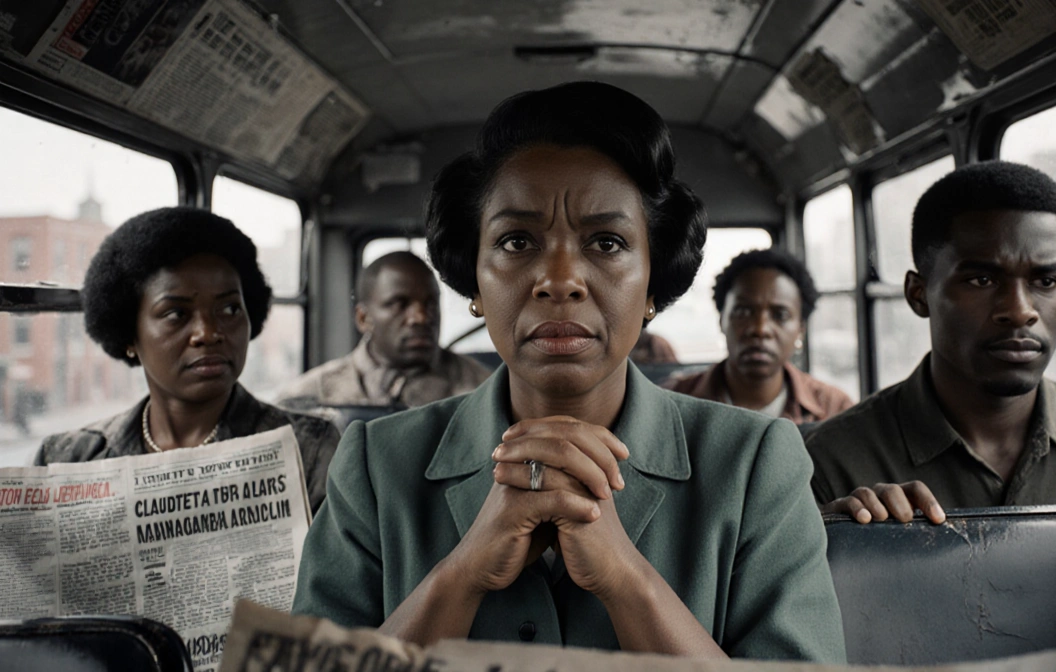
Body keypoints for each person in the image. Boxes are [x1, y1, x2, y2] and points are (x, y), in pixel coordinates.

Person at [291, 82, 844, 661]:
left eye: (606, 242)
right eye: (517, 241)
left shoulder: (757, 466)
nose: (559, 279)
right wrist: (464, 573)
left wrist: (626, 578)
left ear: (653, 283)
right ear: (474, 282)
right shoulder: (376, 468)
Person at [806, 161, 1056, 543]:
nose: (1021, 310)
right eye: (983, 279)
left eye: (1046, 280)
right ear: (918, 294)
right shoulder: (832, 464)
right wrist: (841, 543)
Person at [35, 207, 342, 513]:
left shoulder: (310, 448)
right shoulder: (68, 459)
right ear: (130, 335)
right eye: (176, 314)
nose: (207, 333)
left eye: (230, 309)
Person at [275, 251, 492, 413]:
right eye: (400, 304)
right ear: (363, 318)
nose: (421, 317)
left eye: (430, 304)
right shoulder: (306, 400)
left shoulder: (486, 393)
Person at [666, 249, 854, 424]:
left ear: (800, 330)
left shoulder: (834, 409)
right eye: (744, 312)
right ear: (722, 320)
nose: (760, 329)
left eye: (780, 315)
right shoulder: (671, 402)